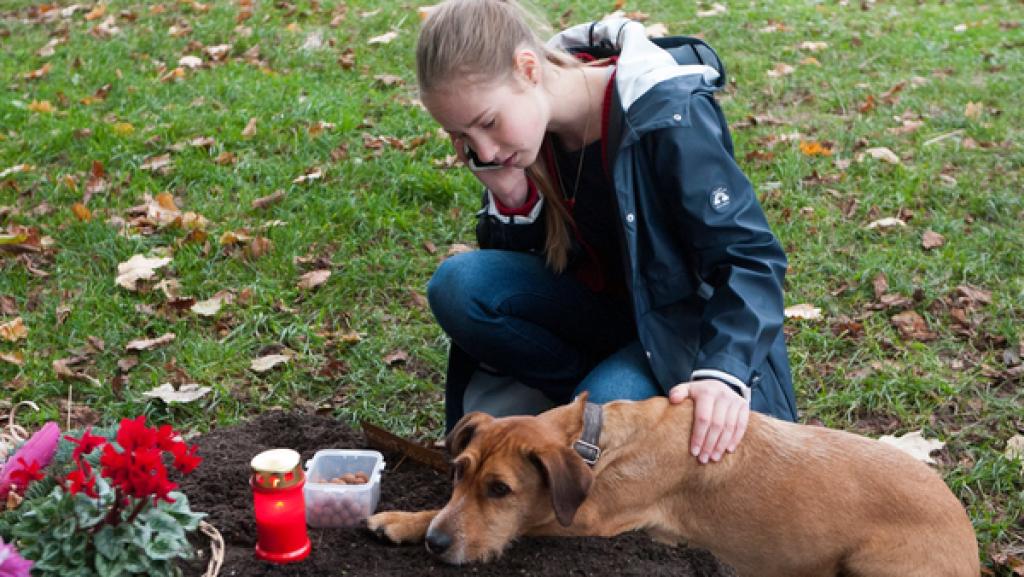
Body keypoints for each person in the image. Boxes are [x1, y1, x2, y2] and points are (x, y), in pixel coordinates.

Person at [417, 0, 798, 465]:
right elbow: (523, 274)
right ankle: (581, 396)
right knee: (460, 286)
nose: (485, 150)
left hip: (678, 336)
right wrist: (512, 199)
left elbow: (750, 257)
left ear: (528, 68)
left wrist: (724, 372)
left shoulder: (664, 113)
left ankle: (594, 398)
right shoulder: (524, 141)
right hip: (600, 320)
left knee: (587, 432)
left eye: (488, 123)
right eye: (462, 138)